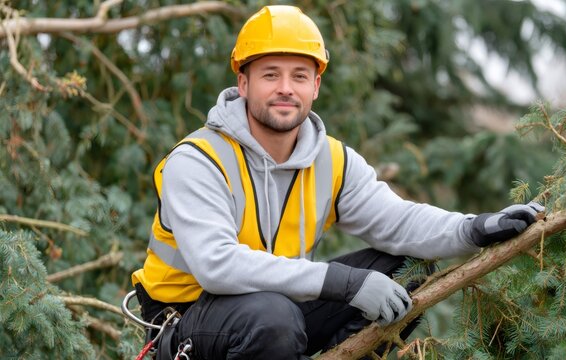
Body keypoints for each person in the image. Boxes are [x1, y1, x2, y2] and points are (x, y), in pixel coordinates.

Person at [130, 5, 544, 359]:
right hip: (189, 327)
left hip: (278, 312)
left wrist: (475, 228)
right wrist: (346, 284)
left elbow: (399, 222)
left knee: (406, 267)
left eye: (299, 76)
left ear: (316, 86)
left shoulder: (331, 159)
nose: (285, 89)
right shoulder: (198, 160)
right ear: (243, 83)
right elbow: (217, 266)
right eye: (270, 75)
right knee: (274, 317)